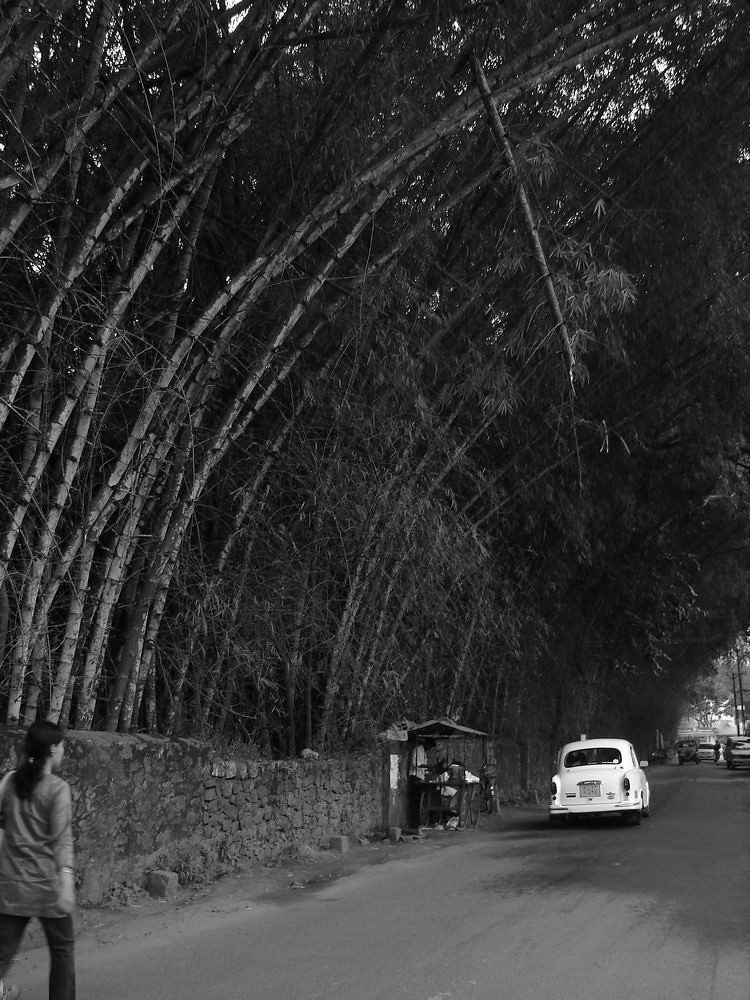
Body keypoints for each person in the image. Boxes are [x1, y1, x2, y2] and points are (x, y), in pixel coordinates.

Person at [0, 720, 76, 1000]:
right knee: (62, 951)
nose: (64, 750)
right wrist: (66, 878)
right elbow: (61, 839)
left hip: (11, 884)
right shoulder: (57, 788)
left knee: (2, 953)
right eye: (62, 744)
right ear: (53, 749)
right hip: (46, 886)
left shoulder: (10, 781)